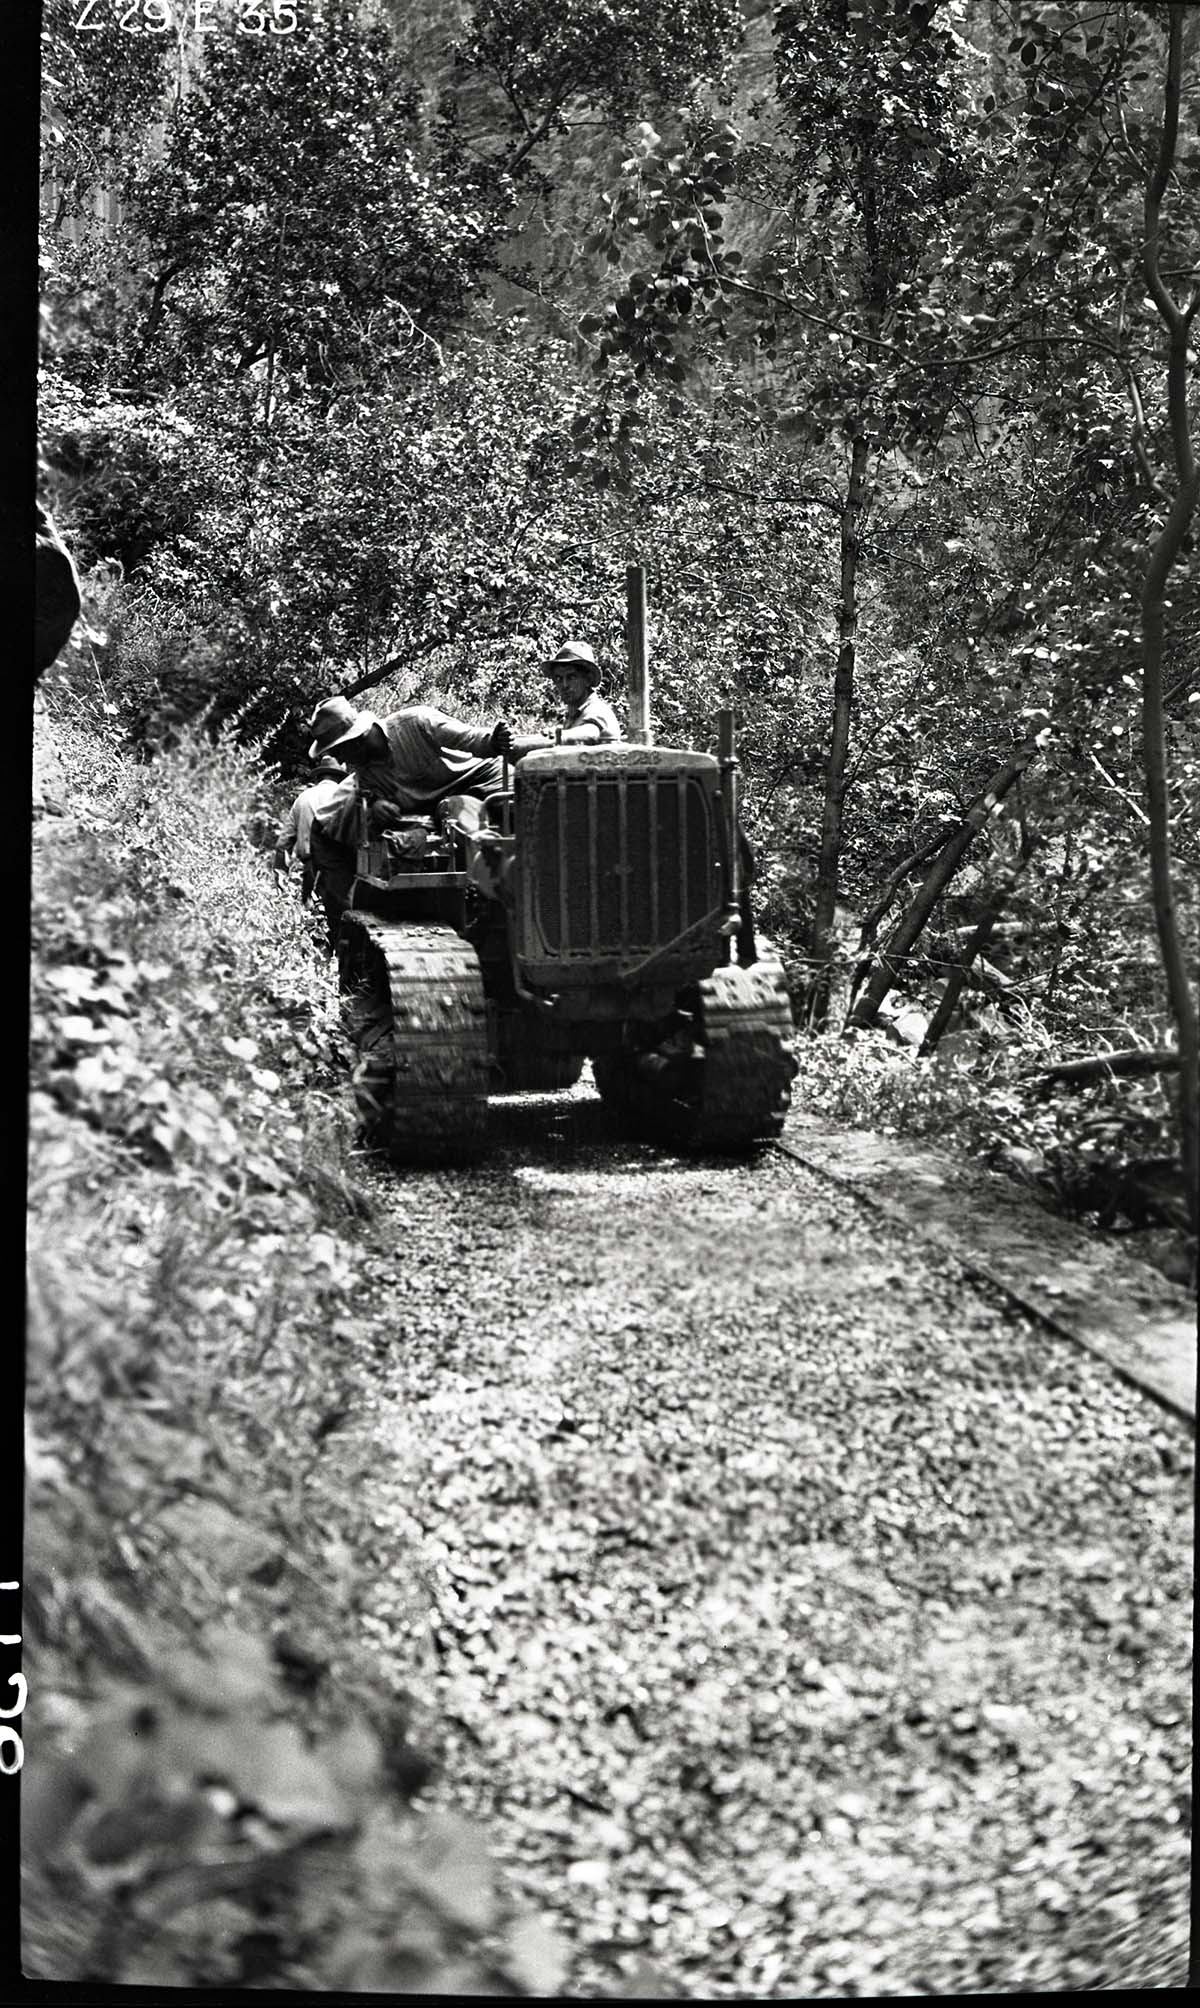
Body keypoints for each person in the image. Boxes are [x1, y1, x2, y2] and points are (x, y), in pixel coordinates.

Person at [501, 640, 623, 758]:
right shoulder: (574, 714)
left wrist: (558, 736)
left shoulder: (597, 710)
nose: (564, 685)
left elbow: (589, 734)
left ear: (588, 679)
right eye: (559, 679)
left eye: (571, 677)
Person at [273, 753, 347, 905]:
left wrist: (280, 878)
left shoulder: (303, 798)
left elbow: (283, 844)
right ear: (340, 777)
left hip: (311, 868)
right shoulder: (346, 796)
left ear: (318, 777)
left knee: (310, 912)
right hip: (342, 867)